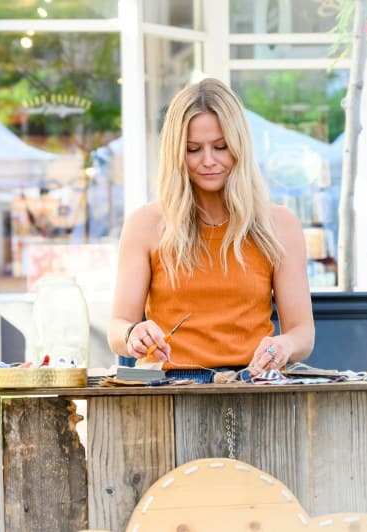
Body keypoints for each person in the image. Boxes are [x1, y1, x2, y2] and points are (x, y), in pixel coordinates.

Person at [107, 78, 314, 382]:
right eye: (193, 149)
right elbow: (117, 327)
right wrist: (132, 333)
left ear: (239, 147)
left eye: (220, 147)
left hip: (252, 383)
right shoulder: (145, 224)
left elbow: (303, 333)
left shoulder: (280, 225)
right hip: (167, 388)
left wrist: (284, 345)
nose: (208, 161)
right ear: (176, 153)